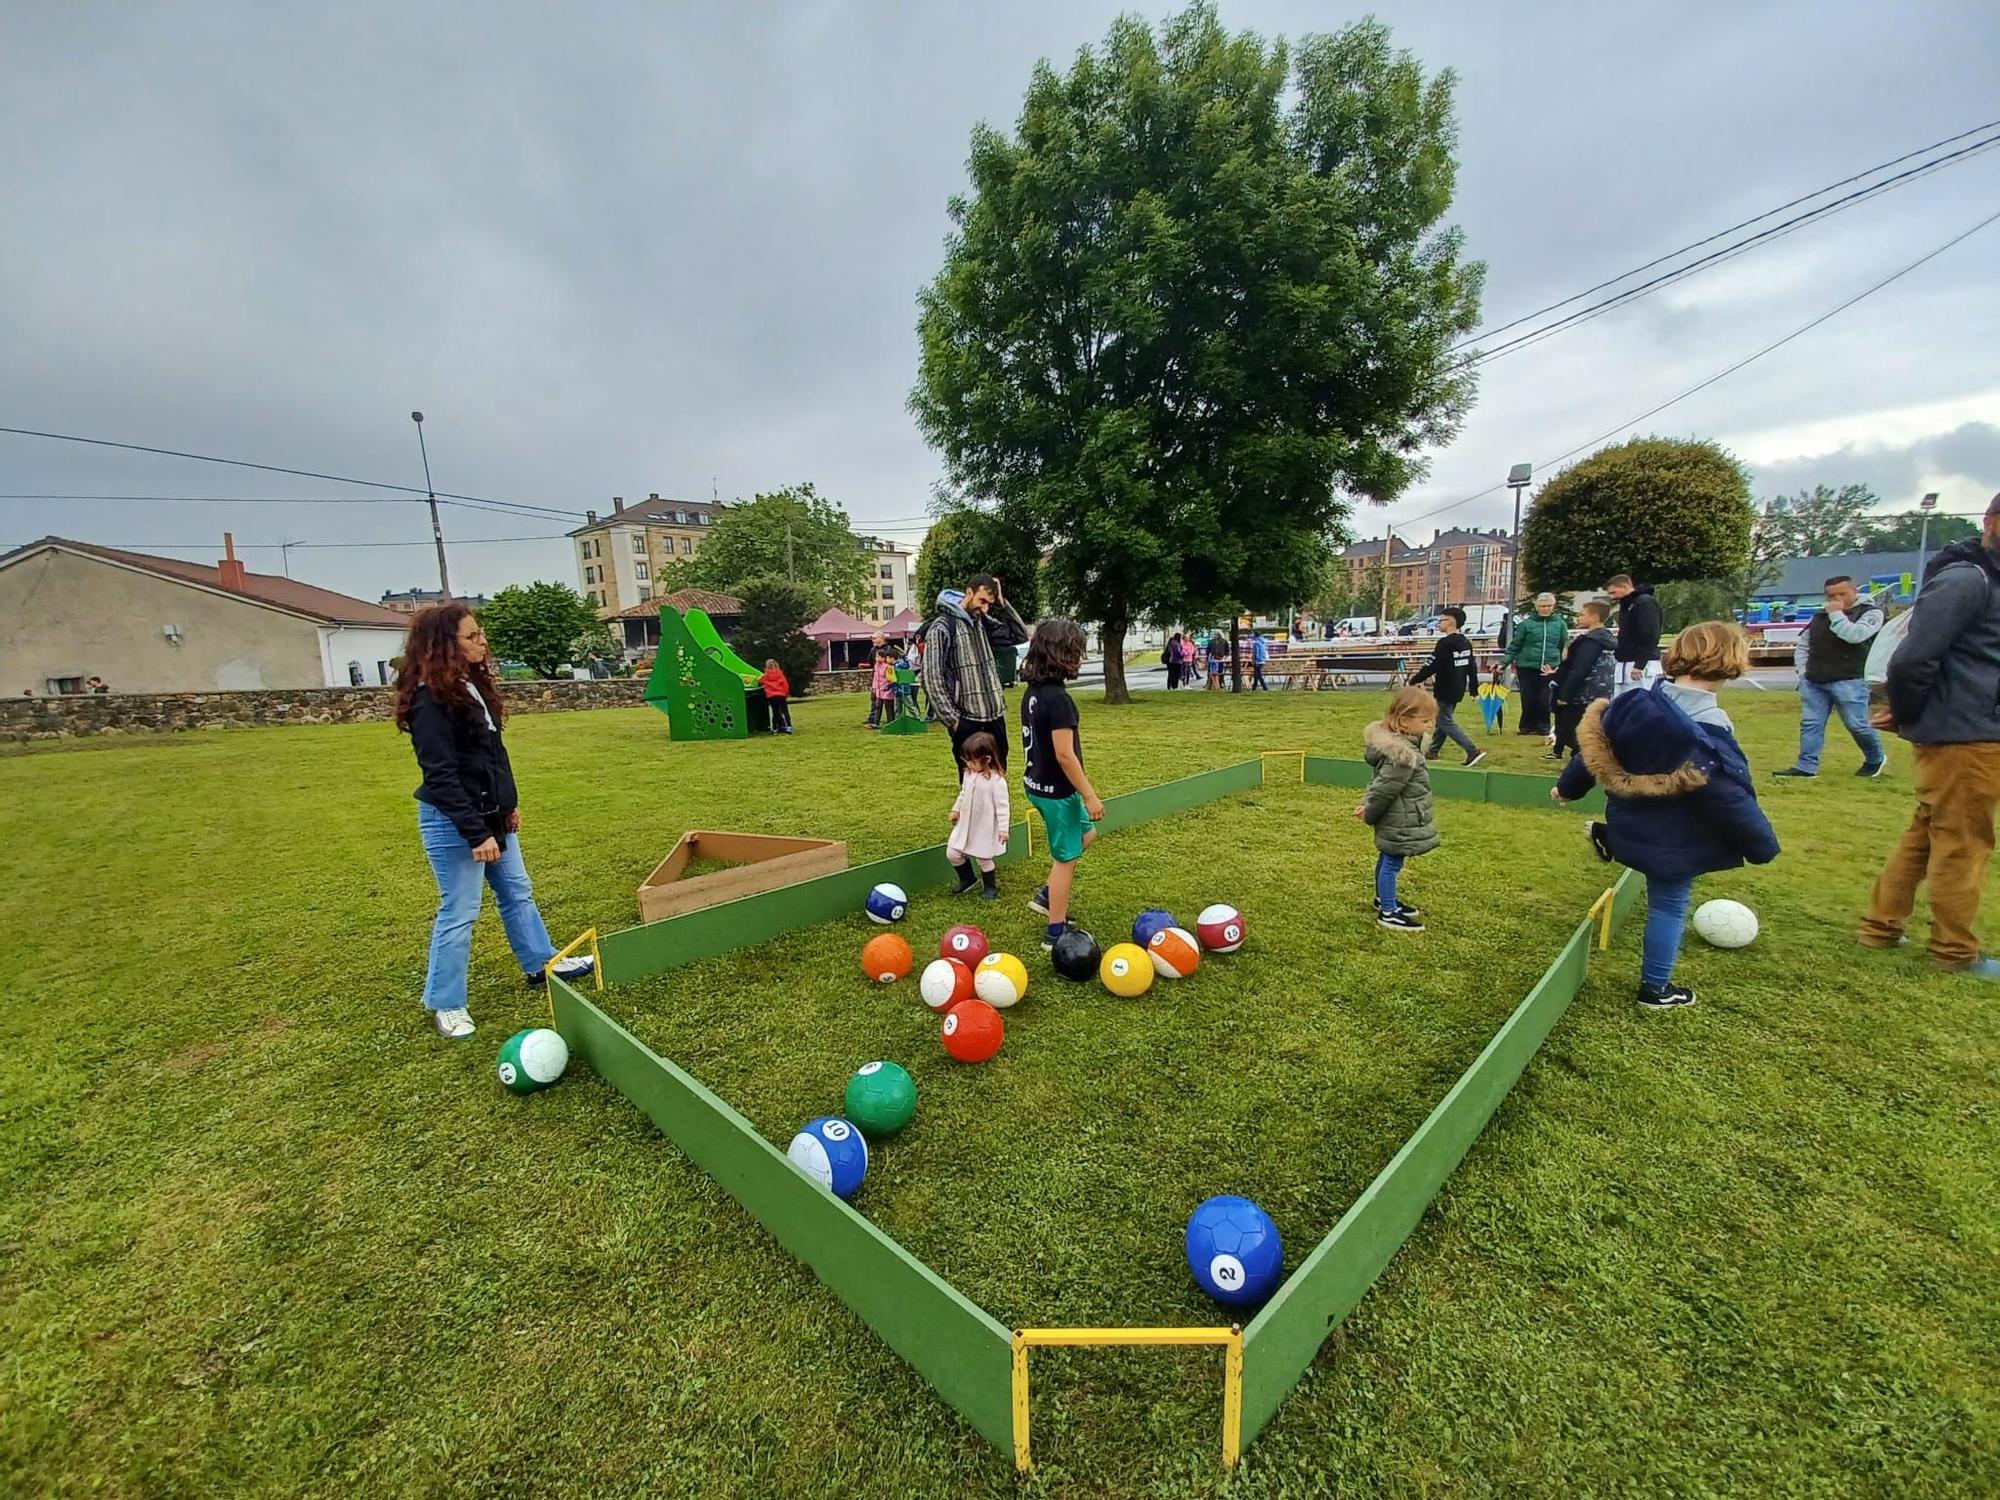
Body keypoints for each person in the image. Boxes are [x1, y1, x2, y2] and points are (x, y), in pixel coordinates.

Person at [1554, 621, 1779, 1010]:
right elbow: (1729, 797)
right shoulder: (1708, 731)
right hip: (1675, 836)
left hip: (1633, 820)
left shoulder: (1632, 702)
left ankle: (1610, 837)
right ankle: (1656, 989)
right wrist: (1763, 846)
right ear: (1729, 663)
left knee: (1653, 873)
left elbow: (1592, 750)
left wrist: (1567, 789)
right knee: (1669, 905)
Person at [396, 602, 594, 1040]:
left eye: (480, 634)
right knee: (460, 912)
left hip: (493, 816)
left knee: (517, 893)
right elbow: (442, 776)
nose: (482, 642)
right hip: (454, 823)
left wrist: (508, 805)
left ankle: (541, 964)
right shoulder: (430, 699)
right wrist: (476, 832)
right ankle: (446, 1004)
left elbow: (492, 757)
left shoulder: (470, 687)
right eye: (472, 636)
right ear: (444, 645)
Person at [1859, 494, 2000, 974]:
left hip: (1968, 728)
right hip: (1965, 734)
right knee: (1964, 840)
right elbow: (1913, 659)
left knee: (1928, 829)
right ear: (1990, 522)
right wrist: (1908, 714)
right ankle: (1955, 951)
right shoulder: (1967, 580)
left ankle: (1881, 926)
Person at [1020, 618, 1104, 948]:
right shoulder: (1059, 700)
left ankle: (1046, 894)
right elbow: (1065, 756)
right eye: (1075, 653)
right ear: (1060, 656)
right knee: (1065, 860)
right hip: (1058, 794)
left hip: (1037, 785)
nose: (1079, 659)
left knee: (1087, 833)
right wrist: (1090, 796)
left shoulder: (1034, 692)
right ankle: (1054, 931)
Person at [1774, 575, 1887, 779]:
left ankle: (1875, 758)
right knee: (1811, 724)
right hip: (1814, 679)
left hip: (1850, 678)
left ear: (1854, 591)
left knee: (1856, 724)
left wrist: (1837, 615)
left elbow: (1854, 636)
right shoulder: (1819, 616)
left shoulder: (1871, 613)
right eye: (1831, 595)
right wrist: (1802, 671)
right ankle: (1807, 767)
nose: (1837, 598)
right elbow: (1804, 644)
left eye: (1842, 593)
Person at [921, 573, 1030, 777]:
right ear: (969, 593)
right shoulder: (942, 627)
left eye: (989, 603)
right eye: (982, 601)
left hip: (995, 718)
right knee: (973, 787)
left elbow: (1020, 635)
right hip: (967, 722)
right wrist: (954, 721)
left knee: (998, 782)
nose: (985, 608)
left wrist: (1002, 603)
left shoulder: (983, 623)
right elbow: (931, 678)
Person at [1357, 685, 1441, 933]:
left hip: (1402, 814)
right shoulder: (1401, 755)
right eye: (1425, 721)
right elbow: (1384, 789)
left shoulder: (1405, 746)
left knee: (1388, 857)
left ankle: (1385, 899)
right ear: (1403, 720)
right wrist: (1369, 810)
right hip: (1399, 818)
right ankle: (1389, 912)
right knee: (1392, 862)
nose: (1429, 726)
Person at [1406, 606, 1486, 767]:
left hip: (1445, 687)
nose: (1439, 623)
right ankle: (1433, 751)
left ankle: (1472, 750)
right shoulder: (1465, 642)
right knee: (1444, 718)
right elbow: (1471, 667)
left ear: (1451, 622)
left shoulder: (1445, 643)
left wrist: (1414, 680)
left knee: (1444, 720)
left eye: (1441, 620)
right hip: (1458, 688)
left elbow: (1432, 665)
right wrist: (1473, 689)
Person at [1549, 599, 1617, 761]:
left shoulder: (1591, 642)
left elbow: (1579, 669)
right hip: (1601, 693)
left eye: (1581, 614)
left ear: (1594, 617)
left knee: (1572, 730)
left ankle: (1581, 757)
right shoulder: (1607, 639)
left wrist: (1564, 695)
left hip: (1583, 695)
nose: (1578, 618)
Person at [946, 731, 1009, 900]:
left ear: (987, 759)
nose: (968, 764)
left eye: (972, 761)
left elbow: (1003, 807)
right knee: (952, 853)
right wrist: (956, 809)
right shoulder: (969, 774)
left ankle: (990, 887)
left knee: (984, 858)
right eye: (966, 760)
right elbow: (963, 793)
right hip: (966, 824)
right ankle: (968, 879)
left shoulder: (997, 781)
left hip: (984, 827)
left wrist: (1003, 829)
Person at [1500, 592, 1566, 736]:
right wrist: (1503, 663)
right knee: (1527, 697)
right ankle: (1526, 726)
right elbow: (1515, 646)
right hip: (1526, 667)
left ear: (1553, 607)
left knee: (1544, 698)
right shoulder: (1526, 625)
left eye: (1548, 606)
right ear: (1536, 607)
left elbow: (1562, 645)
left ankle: (1543, 726)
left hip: (1548, 668)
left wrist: (1559, 664)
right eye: (1542, 606)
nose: (1545, 609)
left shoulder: (1560, 624)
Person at [1606, 574, 1662, 696]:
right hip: (1625, 662)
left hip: (1640, 664)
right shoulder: (1627, 605)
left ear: (1625, 586)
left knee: (1642, 703)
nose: (1612, 596)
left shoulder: (1644, 603)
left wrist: (1640, 664)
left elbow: (1649, 634)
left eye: (1614, 592)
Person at [760, 658, 794, 735]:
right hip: (781, 695)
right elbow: (785, 684)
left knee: (775, 713)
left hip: (772, 697)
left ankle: (775, 729)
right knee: (785, 711)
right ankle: (788, 727)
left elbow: (760, 681)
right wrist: (786, 693)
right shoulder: (780, 674)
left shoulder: (765, 676)